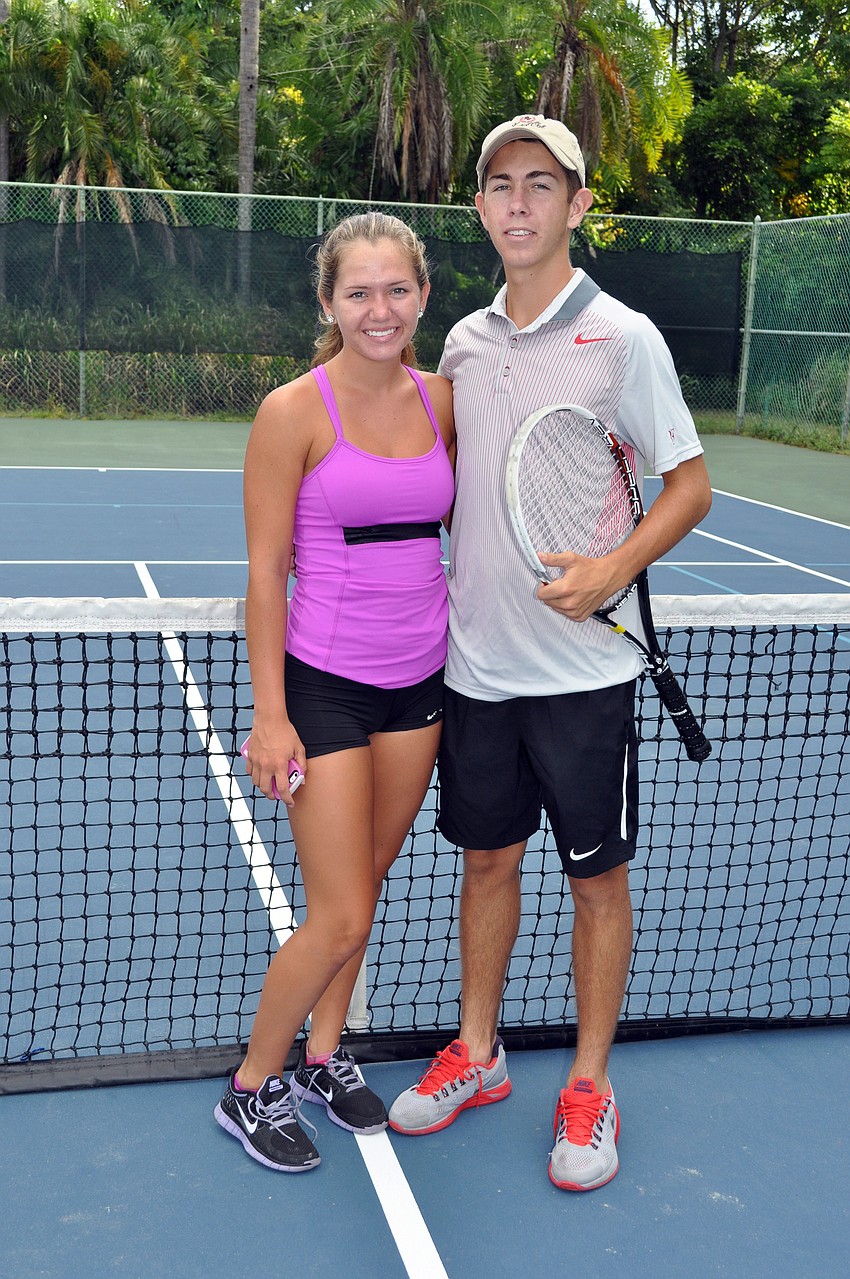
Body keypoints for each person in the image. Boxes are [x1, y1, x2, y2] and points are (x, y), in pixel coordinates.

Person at [387, 115, 712, 1192]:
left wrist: (613, 566)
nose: (518, 202)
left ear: (577, 206)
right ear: (480, 210)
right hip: (474, 669)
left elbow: (689, 485)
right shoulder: (466, 343)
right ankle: (478, 1055)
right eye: (500, 186)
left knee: (595, 883)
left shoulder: (624, 337)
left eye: (541, 184)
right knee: (485, 862)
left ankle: (586, 1081)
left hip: (584, 678)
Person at [215, 212, 455, 1172]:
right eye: (358, 291)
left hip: (420, 685)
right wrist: (270, 715)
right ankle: (249, 1086)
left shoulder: (444, 401)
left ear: (424, 295)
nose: (380, 308)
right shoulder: (292, 412)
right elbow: (265, 571)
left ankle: (323, 1051)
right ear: (328, 303)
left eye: (397, 288)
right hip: (324, 688)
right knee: (342, 910)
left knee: (369, 885)